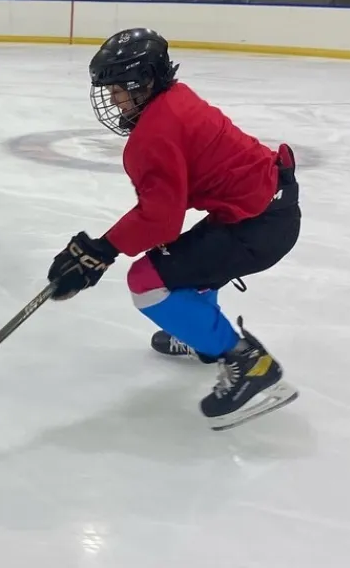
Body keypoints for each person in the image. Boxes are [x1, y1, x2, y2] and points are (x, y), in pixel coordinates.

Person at [46, 28, 301, 431]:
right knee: (185, 257)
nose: (112, 99)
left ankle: (247, 362)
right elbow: (168, 217)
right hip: (265, 210)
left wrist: (102, 250)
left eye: (117, 89)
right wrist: (108, 245)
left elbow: (161, 219)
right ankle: (202, 334)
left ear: (143, 82)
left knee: (146, 281)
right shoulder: (174, 100)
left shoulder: (154, 133)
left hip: (259, 226)